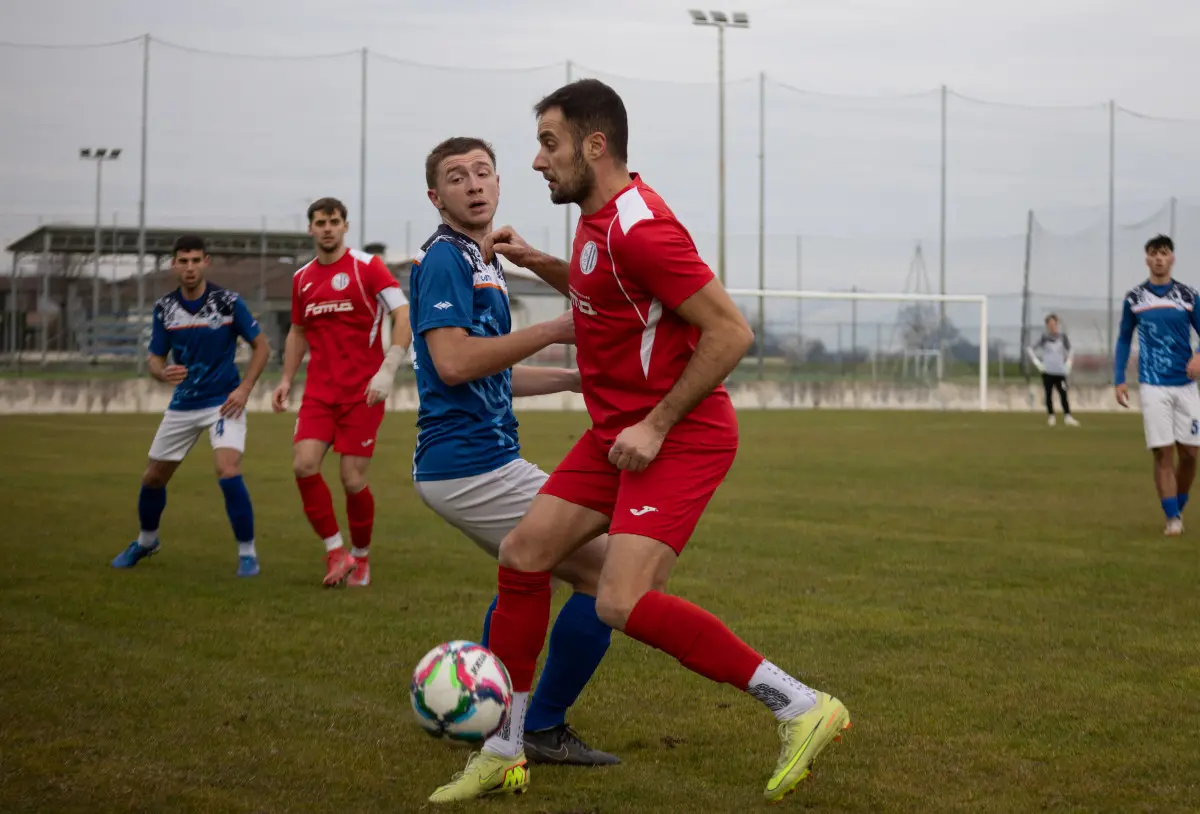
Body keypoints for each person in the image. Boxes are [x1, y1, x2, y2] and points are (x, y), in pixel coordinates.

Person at [428, 79, 850, 806]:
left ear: (596, 147)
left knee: (620, 601)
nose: (535, 162)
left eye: (549, 144)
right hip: (613, 431)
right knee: (524, 555)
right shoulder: (594, 224)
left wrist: (655, 426)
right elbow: (605, 294)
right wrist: (538, 263)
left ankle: (804, 706)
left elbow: (730, 332)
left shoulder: (640, 227)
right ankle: (506, 747)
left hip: (678, 435)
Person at [409, 136, 619, 766]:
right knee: (608, 576)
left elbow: (490, 373)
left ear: (499, 185)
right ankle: (538, 723)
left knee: (528, 570)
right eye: (456, 176)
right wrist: (555, 330)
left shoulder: (483, 262)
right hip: (469, 465)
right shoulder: (445, 258)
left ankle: (486, 710)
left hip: (481, 460)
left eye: (482, 173)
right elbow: (451, 363)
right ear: (435, 196)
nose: (473, 184)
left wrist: (568, 378)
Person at [112, 234, 271, 577]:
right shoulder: (165, 308)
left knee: (228, 470)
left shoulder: (227, 302)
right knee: (153, 478)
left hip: (224, 403)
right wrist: (161, 372)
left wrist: (244, 390)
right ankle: (146, 541)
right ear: (174, 264)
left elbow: (262, 347)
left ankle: (248, 553)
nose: (189, 267)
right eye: (183, 261)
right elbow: (154, 359)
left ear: (205, 262)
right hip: (183, 405)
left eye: (195, 260)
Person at [272, 198, 412, 587]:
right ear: (311, 229)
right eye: (321, 222)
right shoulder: (302, 278)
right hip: (319, 392)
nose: (328, 228)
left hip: (363, 393)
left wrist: (388, 368)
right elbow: (298, 331)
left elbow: (403, 314)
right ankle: (336, 552)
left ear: (345, 226)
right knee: (303, 464)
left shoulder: (368, 267)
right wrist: (286, 380)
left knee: (352, 479)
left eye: (334, 221)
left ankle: (362, 558)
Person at [1115, 234, 1200, 536]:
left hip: (1186, 385)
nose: (1159, 258)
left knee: (1190, 454)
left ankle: (1177, 503)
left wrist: (1199, 358)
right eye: (1153, 254)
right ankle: (1172, 518)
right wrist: (1119, 378)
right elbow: (1124, 338)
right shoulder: (1135, 299)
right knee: (1163, 453)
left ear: (1172, 258)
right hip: (1152, 385)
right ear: (1147, 259)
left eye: (1164, 253)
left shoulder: (1188, 296)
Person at [1026, 313, 1080, 427]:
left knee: (1063, 394)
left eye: (1054, 324)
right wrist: (1038, 363)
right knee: (1048, 394)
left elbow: (1071, 350)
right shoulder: (1044, 338)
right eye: (1050, 324)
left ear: (1057, 324)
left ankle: (1067, 417)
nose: (1052, 326)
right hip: (1047, 372)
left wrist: (1068, 363)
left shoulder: (1062, 337)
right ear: (1047, 325)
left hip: (1060, 372)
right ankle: (1051, 417)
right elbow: (1030, 349)